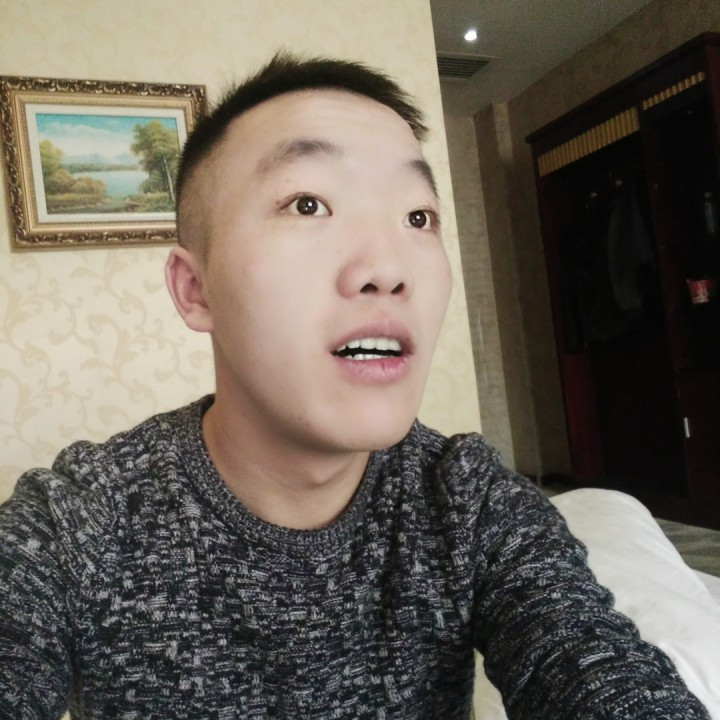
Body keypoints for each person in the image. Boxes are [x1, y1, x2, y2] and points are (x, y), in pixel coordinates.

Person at [0, 53, 710, 720]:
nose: (388, 268)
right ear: (195, 289)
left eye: (417, 217)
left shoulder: (466, 501)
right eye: (308, 204)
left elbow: (592, 664)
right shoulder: (78, 521)